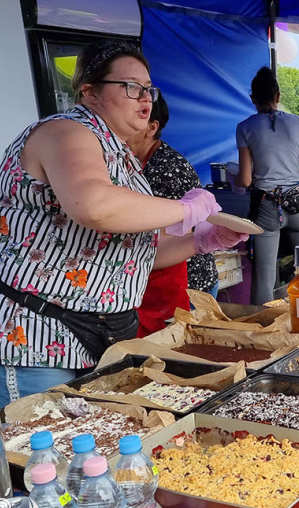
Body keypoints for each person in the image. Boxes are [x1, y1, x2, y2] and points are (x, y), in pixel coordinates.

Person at [0, 41, 246, 408]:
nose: (145, 98)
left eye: (148, 89)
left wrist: (201, 241)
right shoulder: (65, 132)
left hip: (97, 336)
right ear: (90, 91)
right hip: (33, 334)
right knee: (42, 456)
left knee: (86, 455)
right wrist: (183, 211)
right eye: (131, 87)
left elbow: (130, 253)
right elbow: (92, 205)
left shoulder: (120, 153)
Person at [236, 67, 299, 305]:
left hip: (267, 207)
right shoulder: (298, 123)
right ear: (278, 96)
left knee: (264, 279)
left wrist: (238, 176)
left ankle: (265, 331)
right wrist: (292, 169)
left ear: (253, 98)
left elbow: (244, 180)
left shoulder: (244, 127)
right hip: (297, 203)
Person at [127, 92, 203, 336]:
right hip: (149, 278)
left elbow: (179, 229)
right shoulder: (131, 163)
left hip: (183, 279)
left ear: (151, 127)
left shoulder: (168, 166)